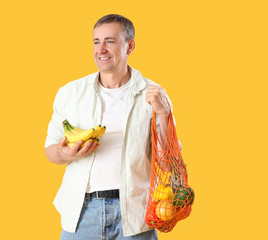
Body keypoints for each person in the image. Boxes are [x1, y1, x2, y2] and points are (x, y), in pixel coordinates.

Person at [45, 14, 181, 240]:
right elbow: (51, 151)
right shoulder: (70, 93)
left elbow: (168, 162)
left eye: (110, 41)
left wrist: (163, 113)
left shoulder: (154, 94)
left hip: (135, 214)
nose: (101, 49)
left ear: (130, 46)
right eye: (96, 42)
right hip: (81, 213)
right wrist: (64, 153)